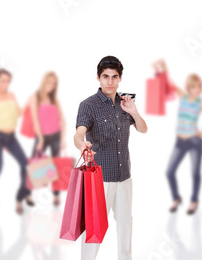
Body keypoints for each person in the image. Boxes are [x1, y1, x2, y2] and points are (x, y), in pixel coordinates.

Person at [74, 56, 148, 260]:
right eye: (105, 76)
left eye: (114, 77)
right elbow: (79, 132)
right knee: (94, 227)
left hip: (124, 176)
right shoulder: (88, 105)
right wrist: (81, 143)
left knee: (126, 223)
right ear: (98, 77)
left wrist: (134, 111)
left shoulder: (125, 103)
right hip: (100, 178)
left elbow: (143, 129)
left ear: (120, 78)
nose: (110, 81)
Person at [156, 59, 202, 215]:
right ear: (189, 87)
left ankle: (194, 200)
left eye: (199, 86)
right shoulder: (182, 96)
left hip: (194, 141)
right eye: (194, 86)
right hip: (180, 141)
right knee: (169, 172)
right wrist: (164, 67)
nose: (197, 89)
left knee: (195, 173)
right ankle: (176, 198)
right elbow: (169, 83)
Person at [0, 68, 34, 214]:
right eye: (3, 81)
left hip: (11, 137)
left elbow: (19, 113)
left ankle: (26, 192)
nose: (6, 84)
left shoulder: (11, 95)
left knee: (25, 163)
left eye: (8, 81)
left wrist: (29, 102)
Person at [27, 71, 67, 207]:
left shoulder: (54, 99)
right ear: (44, 81)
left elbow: (62, 120)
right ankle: (28, 194)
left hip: (56, 135)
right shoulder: (35, 97)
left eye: (54, 84)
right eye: (49, 82)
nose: (51, 86)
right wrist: (40, 139)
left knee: (56, 165)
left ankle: (56, 196)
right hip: (42, 137)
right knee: (35, 164)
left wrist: (62, 139)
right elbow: (35, 120)